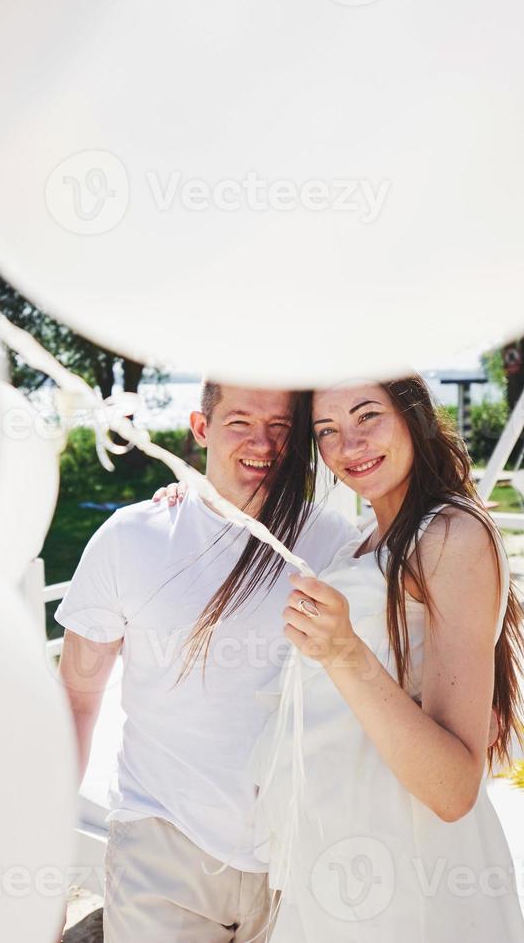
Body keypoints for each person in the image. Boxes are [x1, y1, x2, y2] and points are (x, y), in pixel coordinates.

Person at [54, 381, 359, 943]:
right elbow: (73, 702)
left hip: (296, 858)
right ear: (201, 428)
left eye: (280, 427)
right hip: (162, 850)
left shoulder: (338, 546)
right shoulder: (131, 538)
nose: (262, 443)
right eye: (240, 422)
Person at [243, 376, 524, 940]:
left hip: (408, 870)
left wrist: (344, 652)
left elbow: (453, 789)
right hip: (338, 857)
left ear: (412, 415)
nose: (349, 446)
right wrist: (187, 495)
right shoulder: (360, 538)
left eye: (367, 416)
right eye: (327, 431)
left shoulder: (452, 533)